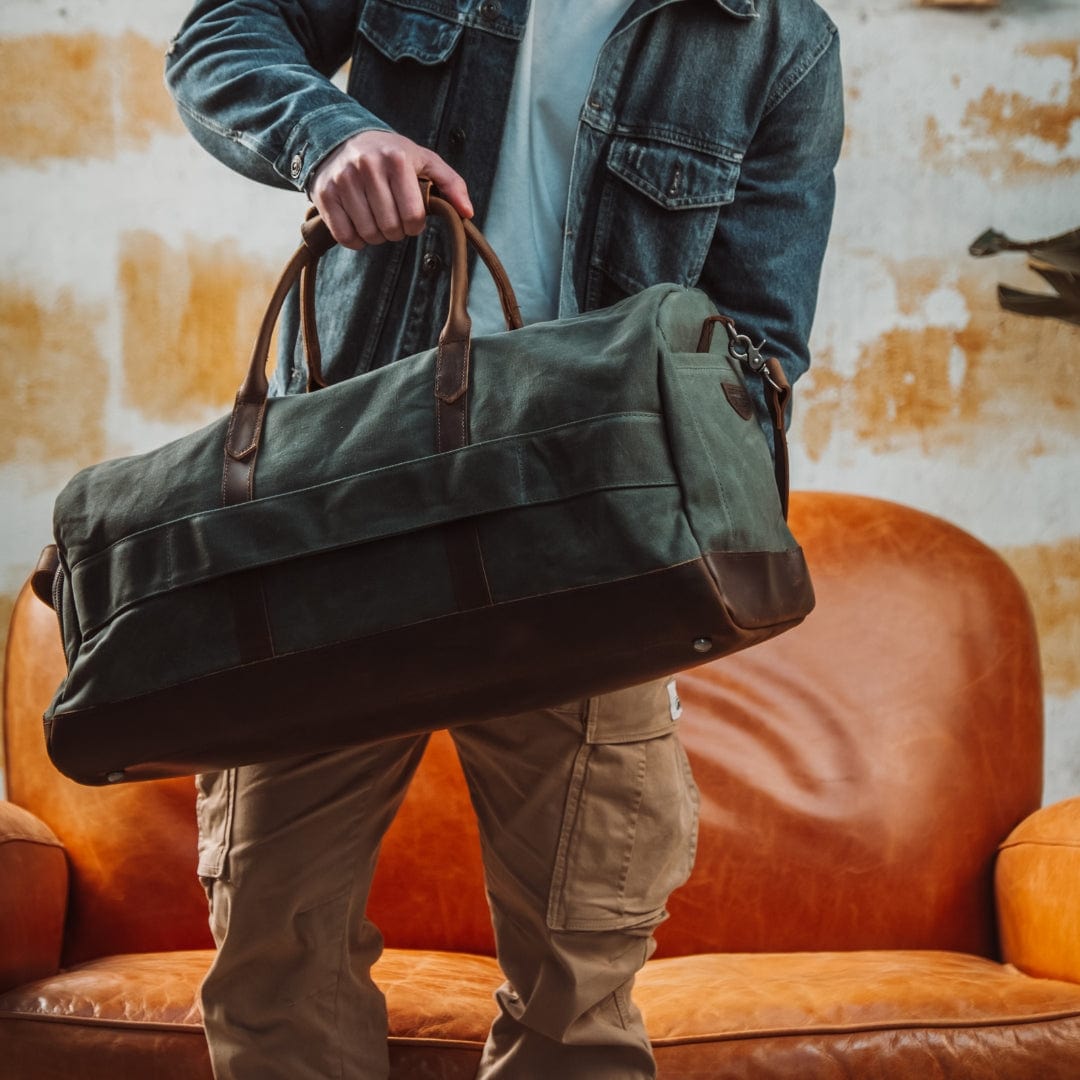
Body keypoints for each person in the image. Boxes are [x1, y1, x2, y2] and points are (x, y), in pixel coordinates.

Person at [165, 2, 843, 1077]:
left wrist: (682, 535)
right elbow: (221, 34)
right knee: (271, 966)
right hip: (339, 516)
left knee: (579, 1000)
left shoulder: (778, 42)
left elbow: (756, 344)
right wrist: (329, 134)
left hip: (589, 548)